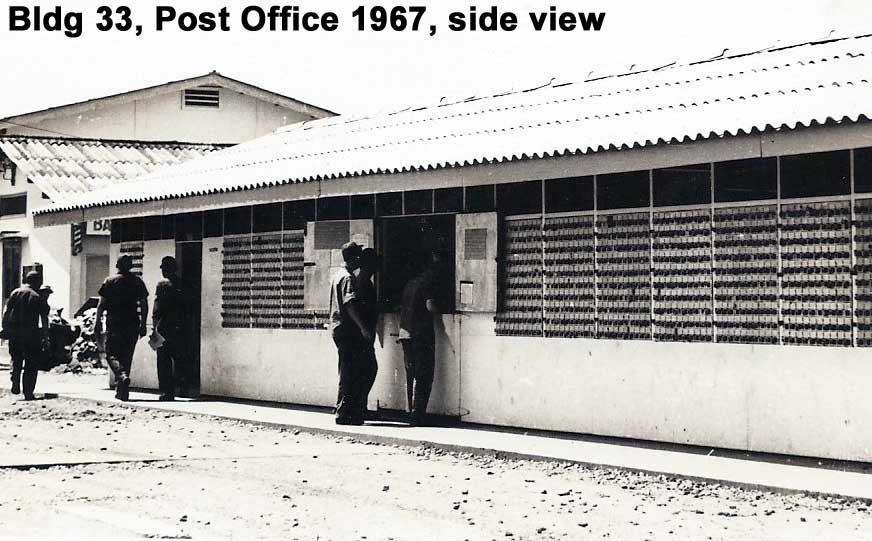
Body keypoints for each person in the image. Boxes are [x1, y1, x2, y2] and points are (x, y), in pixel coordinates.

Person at [94, 255, 149, 401]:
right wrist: (143, 323)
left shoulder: (110, 281)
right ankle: (123, 391)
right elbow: (144, 304)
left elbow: (101, 304)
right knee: (127, 356)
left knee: (110, 353)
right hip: (132, 323)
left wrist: (97, 321)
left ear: (117, 265)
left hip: (114, 323)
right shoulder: (137, 282)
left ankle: (122, 376)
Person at [329, 241, 372, 425]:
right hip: (347, 330)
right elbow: (350, 304)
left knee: (346, 370)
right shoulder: (348, 278)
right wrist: (363, 328)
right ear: (354, 258)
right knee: (350, 372)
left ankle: (343, 409)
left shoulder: (338, 275)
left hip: (338, 328)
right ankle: (345, 413)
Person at [398, 253, 441, 426]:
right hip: (421, 334)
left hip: (405, 333)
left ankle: (411, 411)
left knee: (411, 374)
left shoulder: (410, 284)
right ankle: (418, 414)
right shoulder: (427, 283)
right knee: (423, 374)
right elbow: (430, 306)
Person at [152, 256, 192, 401]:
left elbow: (157, 307)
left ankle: (167, 391)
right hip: (181, 326)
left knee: (164, 361)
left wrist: (154, 326)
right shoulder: (183, 284)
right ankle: (183, 387)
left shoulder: (162, 284)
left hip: (165, 325)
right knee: (180, 358)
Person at [3, 271, 49, 400]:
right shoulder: (38, 297)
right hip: (31, 334)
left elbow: (7, 311)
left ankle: (15, 380)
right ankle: (28, 392)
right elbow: (44, 318)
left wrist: (4, 327)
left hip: (15, 333)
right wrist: (46, 337)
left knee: (16, 359)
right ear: (38, 282)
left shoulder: (15, 293)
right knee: (31, 363)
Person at [354, 248, 380, 420]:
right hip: (362, 334)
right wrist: (365, 329)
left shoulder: (363, 281)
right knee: (368, 369)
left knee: (365, 370)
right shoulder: (362, 282)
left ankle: (360, 406)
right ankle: (359, 406)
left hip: (364, 332)